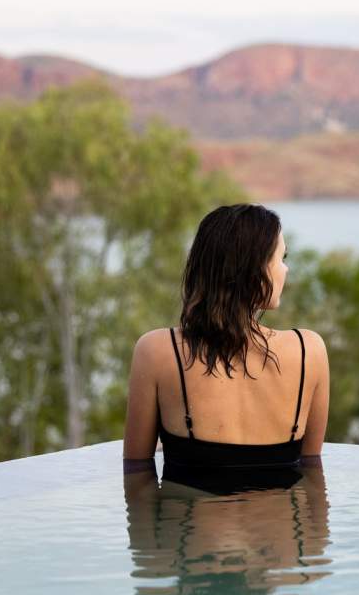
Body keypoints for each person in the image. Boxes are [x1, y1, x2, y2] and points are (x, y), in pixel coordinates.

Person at [123, 203, 330, 490]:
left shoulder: (157, 351)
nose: (286, 268)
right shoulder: (309, 351)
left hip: (193, 533)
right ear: (255, 268)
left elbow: (136, 474)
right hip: (283, 534)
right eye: (281, 258)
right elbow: (313, 474)